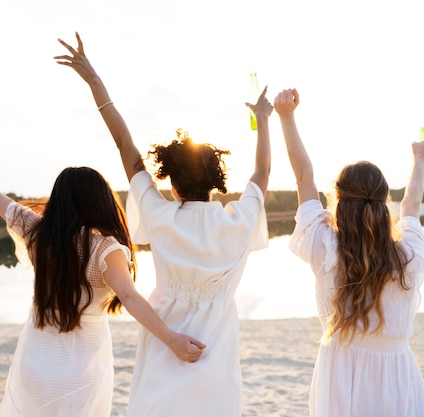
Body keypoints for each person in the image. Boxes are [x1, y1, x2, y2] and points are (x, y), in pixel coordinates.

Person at [55, 32, 272, 417]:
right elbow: (263, 171)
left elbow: (125, 144)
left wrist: (95, 82)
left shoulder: (159, 215)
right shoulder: (239, 221)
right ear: (215, 182)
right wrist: (262, 119)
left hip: (163, 351)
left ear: (171, 183)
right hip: (215, 365)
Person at [0, 146, 205, 417]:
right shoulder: (105, 248)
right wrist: (172, 339)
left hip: (36, 361)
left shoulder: (36, 232)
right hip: (82, 368)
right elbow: (130, 298)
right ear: (101, 201)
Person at [273, 88, 424, 417]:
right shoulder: (409, 255)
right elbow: (412, 205)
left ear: (339, 200)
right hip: (397, 374)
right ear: (383, 201)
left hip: (340, 372)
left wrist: (286, 117)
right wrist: (419, 160)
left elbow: (303, 176)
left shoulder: (324, 246)